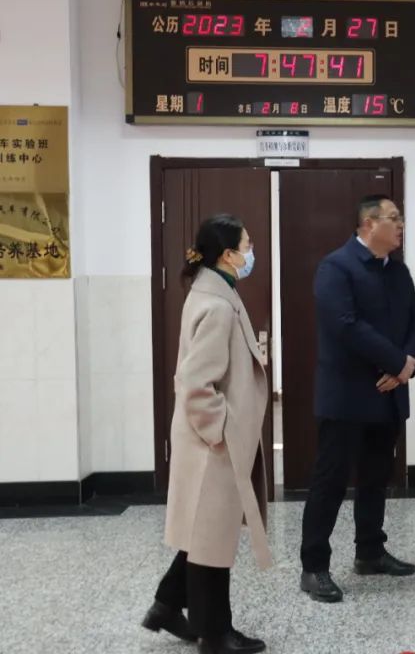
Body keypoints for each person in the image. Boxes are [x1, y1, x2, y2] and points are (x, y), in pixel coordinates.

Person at [142, 214, 271, 654]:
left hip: (208, 442)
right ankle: (215, 634)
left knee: (206, 531)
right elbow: (196, 383)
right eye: (247, 245)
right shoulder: (216, 306)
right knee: (212, 541)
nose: (251, 253)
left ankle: (166, 605)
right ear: (228, 255)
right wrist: (221, 429)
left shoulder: (215, 292)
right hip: (212, 444)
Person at [299, 195, 415, 602]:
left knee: (376, 477)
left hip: (388, 395)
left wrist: (408, 364)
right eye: (394, 218)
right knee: (331, 481)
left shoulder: (398, 270)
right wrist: (396, 361)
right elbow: (346, 326)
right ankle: (314, 567)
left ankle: (370, 552)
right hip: (347, 396)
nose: (401, 225)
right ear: (369, 224)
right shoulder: (336, 267)